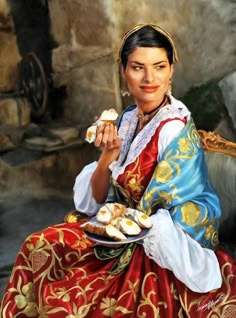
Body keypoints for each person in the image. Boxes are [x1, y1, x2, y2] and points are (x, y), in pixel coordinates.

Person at [1, 23, 236, 318]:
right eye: (138, 67)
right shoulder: (126, 119)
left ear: (171, 71)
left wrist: (141, 225)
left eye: (159, 66)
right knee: (39, 245)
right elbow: (98, 199)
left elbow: (191, 208)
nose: (150, 78)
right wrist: (108, 157)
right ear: (124, 71)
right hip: (115, 237)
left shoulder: (173, 129)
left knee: (77, 300)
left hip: (157, 249)